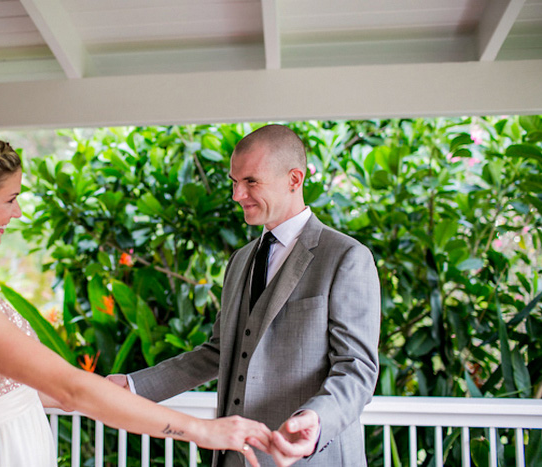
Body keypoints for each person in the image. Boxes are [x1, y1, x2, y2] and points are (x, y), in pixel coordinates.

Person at [0, 128, 272, 467]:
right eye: (10, 200)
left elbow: (25, 392)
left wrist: (113, 389)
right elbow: (70, 389)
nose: (16, 212)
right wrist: (204, 431)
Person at [107, 124, 381, 466]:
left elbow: (357, 369)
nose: (237, 195)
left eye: (251, 181)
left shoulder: (346, 257)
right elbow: (218, 352)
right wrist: (132, 386)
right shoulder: (240, 261)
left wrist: (317, 419)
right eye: (234, 182)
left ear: (294, 179)